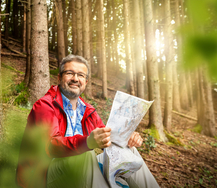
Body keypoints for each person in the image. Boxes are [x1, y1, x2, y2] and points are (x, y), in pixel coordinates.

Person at [16, 55, 160, 188]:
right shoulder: (45, 105)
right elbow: (50, 147)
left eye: (80, 75)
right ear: (59, 78)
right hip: (44, 175)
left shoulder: (88, 110)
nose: (75, 78)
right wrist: (87, 142)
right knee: (85, 152)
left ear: (85, 82)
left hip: (77, 173)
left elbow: (108, 139)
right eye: (70, 73)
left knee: (130, 151)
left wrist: (127, 138)